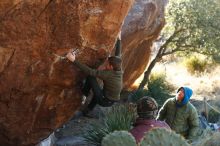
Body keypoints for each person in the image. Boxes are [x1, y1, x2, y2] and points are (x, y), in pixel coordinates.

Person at [66, 33, 123, 115]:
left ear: (111, 67)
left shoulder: (109, 75)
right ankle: (87, 111)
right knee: (99, 92)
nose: (105, 63)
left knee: (91, 77)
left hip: (105, 100)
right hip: (110, 99)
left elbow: (91, 72)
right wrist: (119, 39)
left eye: (107, 63)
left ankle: (84, 94)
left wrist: (73, 60)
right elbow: (118, 55)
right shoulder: (118, 68)